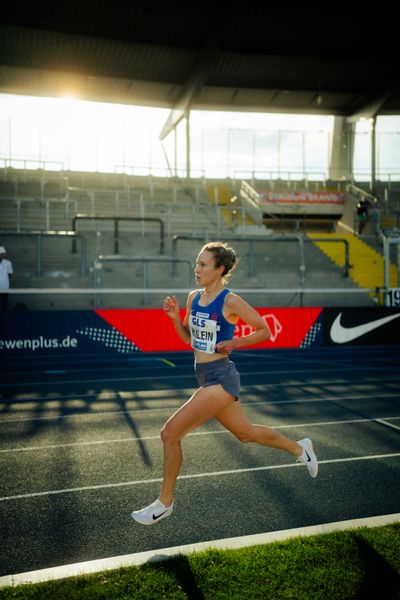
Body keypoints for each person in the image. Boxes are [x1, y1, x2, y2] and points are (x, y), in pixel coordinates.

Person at [131, 241, 318, 526]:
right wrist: (173, 319)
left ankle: (164, 503)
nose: (197, 269)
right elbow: (188, 339)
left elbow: (265, 331)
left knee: (169, 434)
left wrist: (235, 342)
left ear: (220, 269)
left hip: (221, 377)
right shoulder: (194, 297)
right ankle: (299, 448)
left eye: (203, 264)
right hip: (204, 375)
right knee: (245, 433)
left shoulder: (231, 301)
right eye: (197, 263)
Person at [0, 246, 13, 311]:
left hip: (4, 287)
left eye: (3, 254)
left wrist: (5, 282)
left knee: (4, 304)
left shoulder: (8, 263)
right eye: (1, 254)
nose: (2, 255)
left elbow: (10, 274)